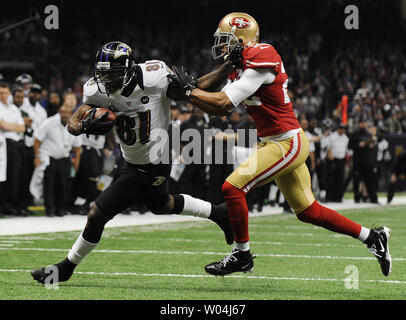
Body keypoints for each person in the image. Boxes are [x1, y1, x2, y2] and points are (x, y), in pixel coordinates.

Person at [169, 12, 392, 277]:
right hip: (274, 142)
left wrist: (188, 92)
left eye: (227, 40)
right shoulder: (240, 64)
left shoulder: (262, 56)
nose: (222, 46)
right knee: (309, 211)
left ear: (242, 40)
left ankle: (242, 255)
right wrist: (193, 87)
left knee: (232, 187)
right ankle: (372, 237)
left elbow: (222, 105)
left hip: (286, 142)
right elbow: (207, 87)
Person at [31, 41, 233, 284]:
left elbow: (198, 87)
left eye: (112, 74)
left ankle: (66, 268)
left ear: (128, 70)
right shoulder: (97, 90)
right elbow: (72, 123)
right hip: (131, 159)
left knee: (97, 213)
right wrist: (83, 125)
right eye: (102, 74)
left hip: (153, 161)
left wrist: (228, 66)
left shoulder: (155, 78)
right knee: (161, 204)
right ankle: (220, 213)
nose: (106, 80)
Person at [33, 104, 82, 217]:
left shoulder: (74, 124)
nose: (65, 115)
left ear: (71, 113)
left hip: (65, 158)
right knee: (49, 186)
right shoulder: (49, 123)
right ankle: (50, 210)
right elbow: (37, 139)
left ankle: (60, 209)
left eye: (68, 112)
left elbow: (78, 147)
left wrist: (76, 163)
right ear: (59, 112)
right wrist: (37, 157)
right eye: (63, 112)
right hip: (49, 158)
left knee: (63, 185)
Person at [0, 82, 26, 216]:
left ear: (9, 93)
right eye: (1, 93)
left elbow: (22, 128)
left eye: (5, 93)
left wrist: (9, 126)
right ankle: (2, 206)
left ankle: (12, 205)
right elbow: (2, 126)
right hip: (3, 145)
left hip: (16, 145)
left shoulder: (14, 108)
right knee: (3, 177)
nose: (3, 96)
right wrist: (12, 126)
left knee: (15, 176)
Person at [348, 117, 379, 204]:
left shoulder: (369, 135)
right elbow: (349, 146)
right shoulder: (355, 134)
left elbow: (373, 148)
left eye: (364, 123)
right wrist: (359, 145)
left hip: (367, 162)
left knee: (369, 181)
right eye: (361, 123)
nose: (363, 124)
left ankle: (373, 199)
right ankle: (357, 199)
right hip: (357, 162)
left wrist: (370, 146)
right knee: (356, 181)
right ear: (359, 124)